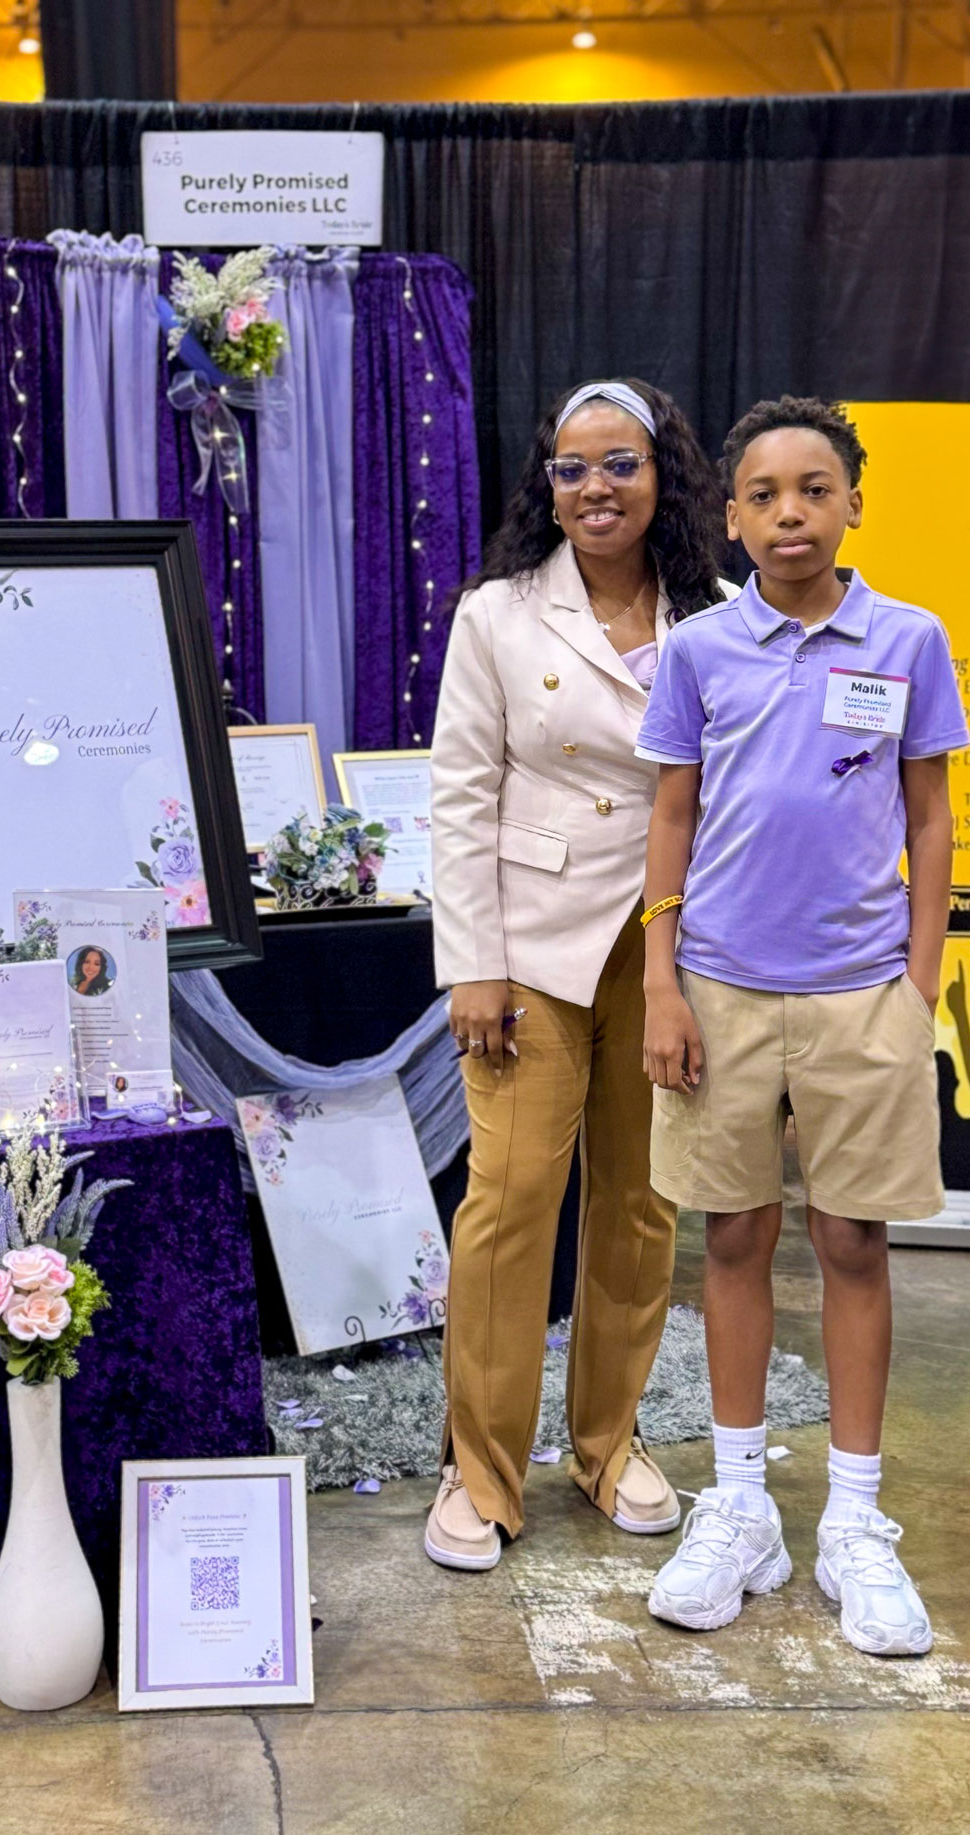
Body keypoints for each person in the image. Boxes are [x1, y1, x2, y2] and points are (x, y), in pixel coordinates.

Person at [637, 395, 967, 1655]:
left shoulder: (910, 638)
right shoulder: (702, 652)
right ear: (729, 516)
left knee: (853, 1241)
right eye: (763, 493)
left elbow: (929, 815)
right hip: (717, 984)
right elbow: (672, 817)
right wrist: (662, 979)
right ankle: (738, 1506)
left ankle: (857, 1520)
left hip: (858, 991)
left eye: (814, 488)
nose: (789, 512)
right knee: (732, 1236)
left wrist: (917, 971)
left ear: (853, 502)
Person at [426, 377, 733, 1572]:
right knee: (508, 1200)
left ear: (663, 477)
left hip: (670, 950)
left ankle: (609, 1441)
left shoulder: (716, 615)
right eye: (570, 467)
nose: (594, 487)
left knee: (643, 1202)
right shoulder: (497, 614)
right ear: (544, 486)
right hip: (533, 948)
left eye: (619, 464)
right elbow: (459, 796)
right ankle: (480, 1466)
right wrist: (476, 963)